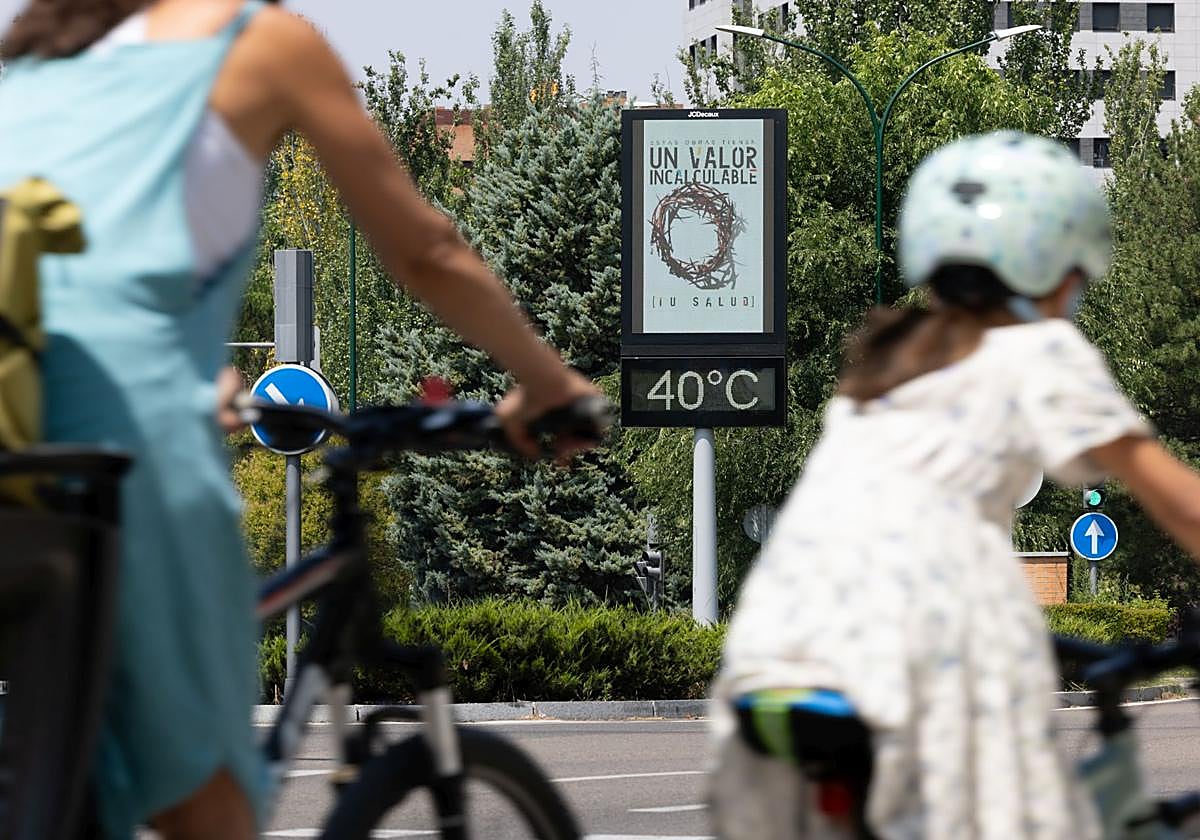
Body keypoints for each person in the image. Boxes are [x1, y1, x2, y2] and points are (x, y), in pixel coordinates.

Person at [0, 1, 600, 837]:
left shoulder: (32, 61)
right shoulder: (261, 41)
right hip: (123, 459)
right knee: (208, 810)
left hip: (15, 438)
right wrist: (547, 385)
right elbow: (426, 249)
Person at [709, 130, 1200, 840]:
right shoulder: (1040, 350)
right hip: (926, 670)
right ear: (1058, 269)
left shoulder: (885, 368)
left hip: (770, 671)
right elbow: (1178, 499)